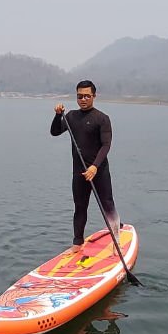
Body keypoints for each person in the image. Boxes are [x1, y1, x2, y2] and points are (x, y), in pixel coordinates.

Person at [50, 80, 119, 255]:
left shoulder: (102, 119)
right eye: (80, 96)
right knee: (80, 207)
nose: (83, 99)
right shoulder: (72, 116)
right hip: (79, 172)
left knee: (107, 205)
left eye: (87, 96)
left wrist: (95, 167)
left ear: (94, 96)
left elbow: (106, 145)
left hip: (99, 171)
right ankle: (77, 243)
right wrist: (58, 115)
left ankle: (116, 240)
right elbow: (55, 131)